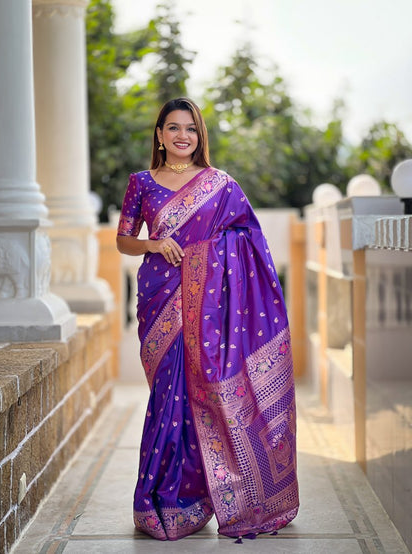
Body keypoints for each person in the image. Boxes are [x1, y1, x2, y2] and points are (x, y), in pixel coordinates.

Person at [116, 97, 299, 542]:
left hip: (212, 309)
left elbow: (248, 238)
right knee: (167, 397)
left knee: (204, 393)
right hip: (160, 299)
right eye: (173, 128)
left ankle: (204, 498)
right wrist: (153, 244)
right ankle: (162, 502)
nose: (183, 136)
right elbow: (124, 240)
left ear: (200, 136)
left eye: (191, 128)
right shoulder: (141, 183)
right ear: (160, 135)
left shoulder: (221, 184)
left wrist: (205, 258)